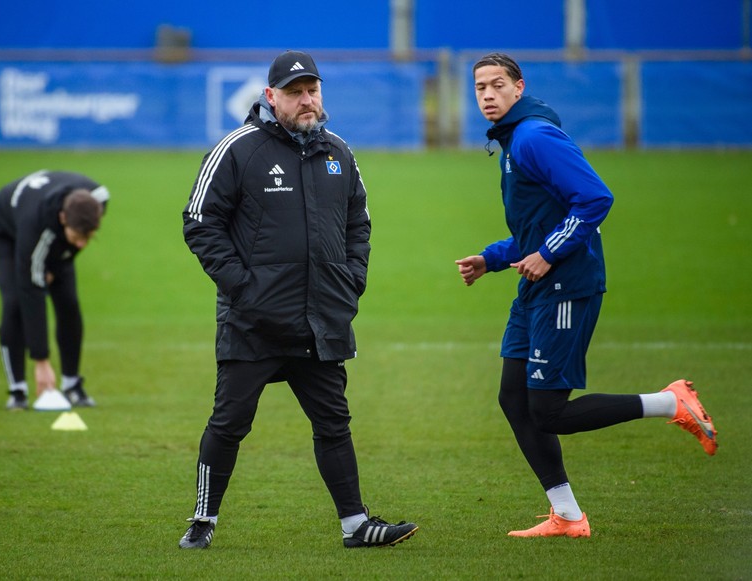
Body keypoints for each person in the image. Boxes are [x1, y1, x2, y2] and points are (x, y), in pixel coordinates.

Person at [455, 53, 718, 538]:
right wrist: (490, 259)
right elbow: (536, 225)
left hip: (565, 286)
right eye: (479, 88)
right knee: (514, 397)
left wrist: (550, 253)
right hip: (536, 285)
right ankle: (569, 517)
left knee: (549, 411)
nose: (487, 95)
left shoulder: (533, 137)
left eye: (497, 85)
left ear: (518, 87)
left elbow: (596, 197)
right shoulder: (513, 142)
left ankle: (669, 402)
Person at [179, 50, 418, 550]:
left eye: (312, 90)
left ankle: (356, 525)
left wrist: (352, 280)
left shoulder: (338, 152)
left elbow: (360, 224)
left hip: (321, 319)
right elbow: (200, 222)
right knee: (229, 424)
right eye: (294, 92)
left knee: (334, 423)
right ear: (271, 97)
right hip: (254, 322)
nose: (306, 100)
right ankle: (203, 521)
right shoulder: (237, 149)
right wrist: (242, 288)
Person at [0, 170, 109, 410]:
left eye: (89, 236)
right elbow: (32, 290)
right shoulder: (35, 225)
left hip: (52, 235)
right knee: (15, 302)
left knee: (68, 301)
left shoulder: (98, 199)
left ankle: (72, 385)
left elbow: (72, 242)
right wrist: (41, 360)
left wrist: (55, 266)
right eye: (78, 236)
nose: (82, 244)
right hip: (3, 229)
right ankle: (17, 390)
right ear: (63, 218)